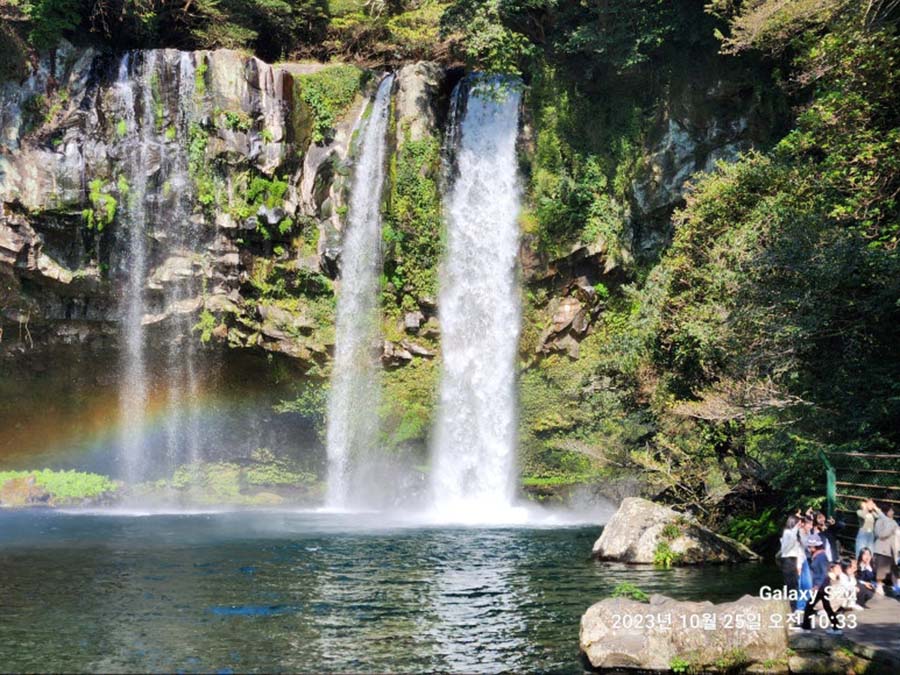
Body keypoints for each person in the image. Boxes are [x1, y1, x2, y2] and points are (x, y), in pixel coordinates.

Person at [801, 538, 843, 635]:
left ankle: (806, 627)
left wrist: (817, 586)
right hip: (821, 586)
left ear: (815, 547)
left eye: (810, 546)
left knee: (809, 606)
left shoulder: (821, 557)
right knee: (822, 607)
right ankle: (836, 627)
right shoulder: (817, 556)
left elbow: (824, 573)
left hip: (821, 586)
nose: (809, 548)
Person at [779, 514, 805, 615]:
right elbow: (786, 547)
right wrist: (795, 530)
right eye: (798, 523)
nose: (799, 525)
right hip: (787, 560)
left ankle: (793, 607)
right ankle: (791, 608)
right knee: (790, 585)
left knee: (794, 585)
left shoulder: (794, 533)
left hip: (793, 560)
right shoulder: (787, 532)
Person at [872, 504, 898, 595]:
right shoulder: (880, 521)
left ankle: (897, 587)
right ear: (886, 512)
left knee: (895, 569)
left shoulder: (893, 521)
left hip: (893, 550)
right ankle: (879, 587)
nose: (893, 512)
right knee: (881, 570)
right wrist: (890, 529)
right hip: (882, 549)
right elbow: (880, 535)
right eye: (891, 511)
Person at [797, 516, 814, 614]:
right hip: (797, 559)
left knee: (807, 583)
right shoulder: (798, 533)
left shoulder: (808, 533)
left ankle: (807, 605)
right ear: (803, 524)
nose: (811, 526)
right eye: (809, 524)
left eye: (811, 524)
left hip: (805, 558)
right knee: (799, 583)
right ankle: (799, 606)